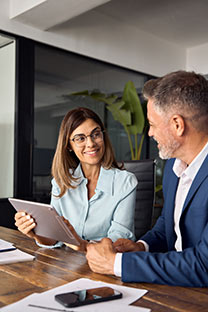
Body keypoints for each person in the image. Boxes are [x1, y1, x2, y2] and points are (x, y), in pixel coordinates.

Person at [86, 70, 208, 287]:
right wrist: (142, 246)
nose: (150, 133)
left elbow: (204, 266)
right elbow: (166, 225)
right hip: (174, 287)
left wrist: (117, 264)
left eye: (152, 124)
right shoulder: (174, 165)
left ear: (177, 125)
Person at [14, 107, 138, 249]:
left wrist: (82, 245)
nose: (91, 143)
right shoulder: (61, 182)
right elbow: (53, 237)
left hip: (106, 265)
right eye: (80, 138)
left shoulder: (125, 182)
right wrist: (35, 233)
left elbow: (119, 241)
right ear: (69, 146)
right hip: (66, 265)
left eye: (96, 134)